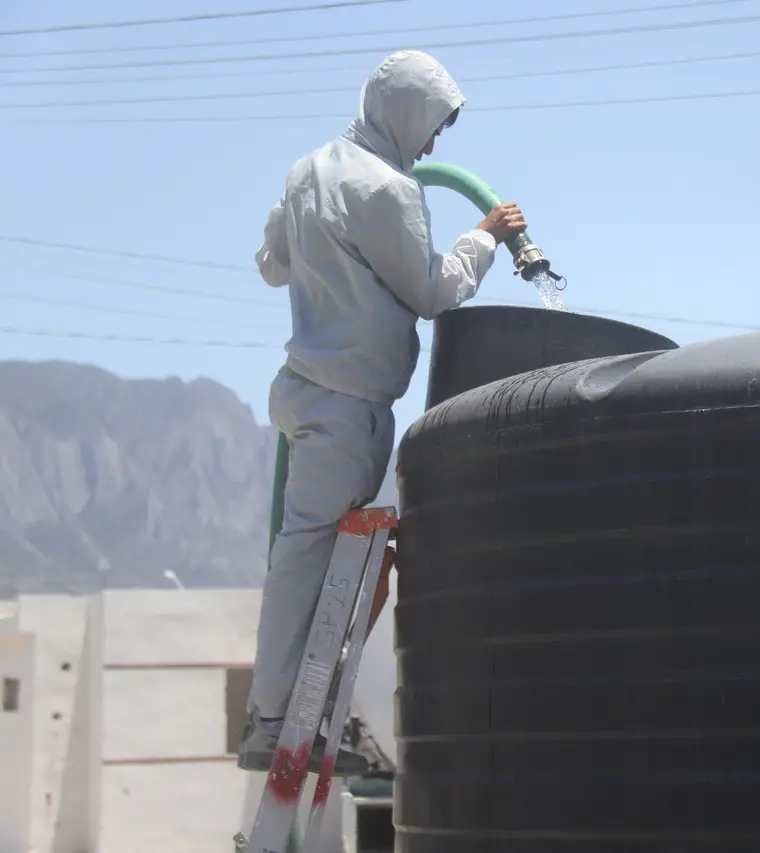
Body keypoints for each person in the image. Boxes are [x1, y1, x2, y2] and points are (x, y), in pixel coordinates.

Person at [238, 49, 527, 775]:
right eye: (432, 126)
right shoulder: (391, 191)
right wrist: (484, 236)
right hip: (349, 404)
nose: (432, 146)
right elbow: (432, 291)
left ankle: (301, 715)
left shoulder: (307, 172)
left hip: (309, 388)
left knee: (323, 555)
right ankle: (279, 723)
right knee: (312, 559)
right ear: (406, 114)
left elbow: (272, 265)